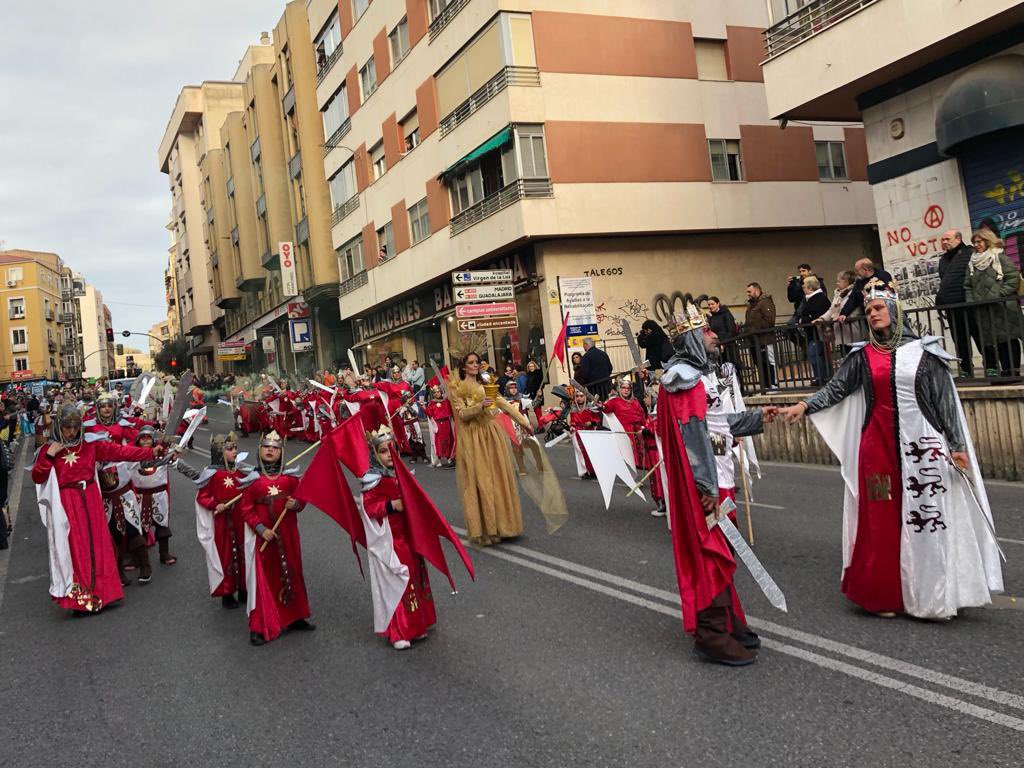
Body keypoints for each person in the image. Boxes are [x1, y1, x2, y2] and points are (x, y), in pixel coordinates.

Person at [777, 279, 1003, 619]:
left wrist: (957, 445)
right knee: (880, 518)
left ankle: (929, 593)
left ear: (895, 310)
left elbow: (946, 405)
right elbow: (836, 390)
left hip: (922, 448)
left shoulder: (927, 353)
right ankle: (883, 595)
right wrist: (804, 406)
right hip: (876, 452)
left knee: (928, 520)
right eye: (868, 310)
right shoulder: (863, 356)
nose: (872, 314)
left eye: (878, 308)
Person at [653, 299, 766, 666]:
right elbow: (694, 437)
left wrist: (763, 417)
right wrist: (706, 490)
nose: (715, 334)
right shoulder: (682, 379)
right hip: (706, 486)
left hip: (720, 478)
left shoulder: (700, 375)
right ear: (691, 338)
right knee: (711, 551)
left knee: (724, 549)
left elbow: (719, 425)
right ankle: (711, 633)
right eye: (706, 330)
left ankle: (729, 620)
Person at [31, 405, 162, 613]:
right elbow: (38, 477)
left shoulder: (91, 445)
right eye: (67, 427)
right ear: (59, 426)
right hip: (68, 503)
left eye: (75, 427)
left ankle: (105, 593)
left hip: (91, 498)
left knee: (99, 544)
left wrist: (148, 452)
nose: (71, 432)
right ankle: (81, 600)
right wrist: (49, 456)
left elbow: (120, 451)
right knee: (76, 549)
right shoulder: (50, 449)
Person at [359, 426, 438, 650]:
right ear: (374, 454)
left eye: (391, 449)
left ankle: (417, 626)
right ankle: (400, 630)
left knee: (414, 577)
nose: (388, 454)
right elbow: (369, 508)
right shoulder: (373, 480)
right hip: (390, 540)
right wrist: (392, 505)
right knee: (399, 580)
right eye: (383, 451)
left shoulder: (403, 474)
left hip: (409, 535)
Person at [448, 352, 533, 546]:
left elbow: (502, 402)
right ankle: (486, 529)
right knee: (481, 481)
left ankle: (505, 526)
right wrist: (480, 406)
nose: (475, 365)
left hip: (491, 434)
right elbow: (461, 414)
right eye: (470, 362)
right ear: (463, 366)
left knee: (498, 478)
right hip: (472, 437)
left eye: (477, 362)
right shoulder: (456, 386)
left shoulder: (487, 380)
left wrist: (524, 421)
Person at [239, 431, 314, 646]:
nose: (270, 450)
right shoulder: (253, 481)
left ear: (281, 452)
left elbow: (302, 499)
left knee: (292, 571)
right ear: (259, 450)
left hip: (288, 535)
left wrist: (296, 504)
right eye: (266, 447)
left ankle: (296, 616)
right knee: (266, 578)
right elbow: (246, 509)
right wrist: (261, 528)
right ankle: (261, 625)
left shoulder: (290, 479)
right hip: (265, 539)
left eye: (275, 447)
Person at [192, 433, 254, 609]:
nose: (234, 451)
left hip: (240, 520)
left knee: (245, 553)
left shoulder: (241, 471)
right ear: (219, 451)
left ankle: (244, 589)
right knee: (225, 555)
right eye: (230, 449)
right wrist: (215, 505)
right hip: (222, 522)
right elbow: (202, 497)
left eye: (235, 448)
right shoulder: (211, 474)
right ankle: (227, 593)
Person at [964, 228, 1023, 377]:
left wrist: (999, 295)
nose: (976, 244)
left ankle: (1013, 370)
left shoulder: (999, 257)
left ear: (987, 240)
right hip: (985, 309)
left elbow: (1013, 278)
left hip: (1003, 307)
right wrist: (972, 302)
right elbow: (968, 286)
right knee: (997, 340)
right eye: (974, 242)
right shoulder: (972, 263)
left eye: (979, 241)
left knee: (1009, 338)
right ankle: (1006, 371)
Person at [602, 376, 664, 516]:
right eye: (623, 388)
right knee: (628, 455)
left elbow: (642, 415)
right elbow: (606, 409)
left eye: (628, 388)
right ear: (619, 389)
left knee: (641, 456)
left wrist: (644, 427)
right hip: (625, 432)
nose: (625, 390)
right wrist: (600, 404)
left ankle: (641, 480)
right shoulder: (615, 402)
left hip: (639, 432)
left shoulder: (636, 402)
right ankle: (631, 479)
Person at [935, 230, 980, 377]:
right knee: (960, 339)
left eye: (947, 239)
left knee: (979, 336)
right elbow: (945, 281)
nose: (944, 242)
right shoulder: (943, 259)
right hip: (952, 307)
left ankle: (992, 366)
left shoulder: (969, 253)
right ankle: (966, 368)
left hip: (968, 304)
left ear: (958, 239)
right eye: (942, 240)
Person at [795, 276, 832, 385]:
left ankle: (822, 378)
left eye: (804, 287)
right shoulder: (810, 298)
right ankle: (823, 377)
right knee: (818, 354)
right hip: (813, 333)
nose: (803, 289)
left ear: (810, 288)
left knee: (814, 354)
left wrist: (804, 320)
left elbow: (817, 314)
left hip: (818, 332)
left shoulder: (819, 298)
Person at [816, 269, 864, 354]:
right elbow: (831, 310)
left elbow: (858, 311)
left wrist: (843, 317)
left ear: (847, 282)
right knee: (845, 356)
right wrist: (822, 319)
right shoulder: (838, 294)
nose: (836, 283)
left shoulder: (854, 292)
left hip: (853, 331)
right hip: (841, 333)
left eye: (839, 281)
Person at [744, 282, 777, 391]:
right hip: (754, 340)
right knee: (759, 363)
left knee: (768, 362)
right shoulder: (751, 305)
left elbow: (769, 320)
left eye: (749, 291)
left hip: (765, 339)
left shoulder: (765, 302)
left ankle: (773, 384)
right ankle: (765, 386)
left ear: (756, 291)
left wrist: (754, 330)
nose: (747, 294)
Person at [569, 389, 601, 479]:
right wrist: (572, 426)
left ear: (585, 397)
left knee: (591, 452)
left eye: (581, 396)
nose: (579, 398)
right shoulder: (573, 408)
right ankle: (586, 471)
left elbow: (597, 419)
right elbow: (573, 421)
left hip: (589, 432)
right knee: (582, 453)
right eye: (577, 396)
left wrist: (591, 422)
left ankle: (594, 471)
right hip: (579, 433)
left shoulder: (590, 407)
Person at [424, 386, 455, 468]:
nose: (437, 394)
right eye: (435, 392)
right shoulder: (432, 403)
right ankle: (439, 459)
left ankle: (449, 458)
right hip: (437, 425)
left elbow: (451, 411)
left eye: (438, 392)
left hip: (446, 423)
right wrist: (424, 408)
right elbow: (430, 414)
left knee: (448, 440)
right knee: (439, 442)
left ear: (441, 392)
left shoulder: (446, 401)